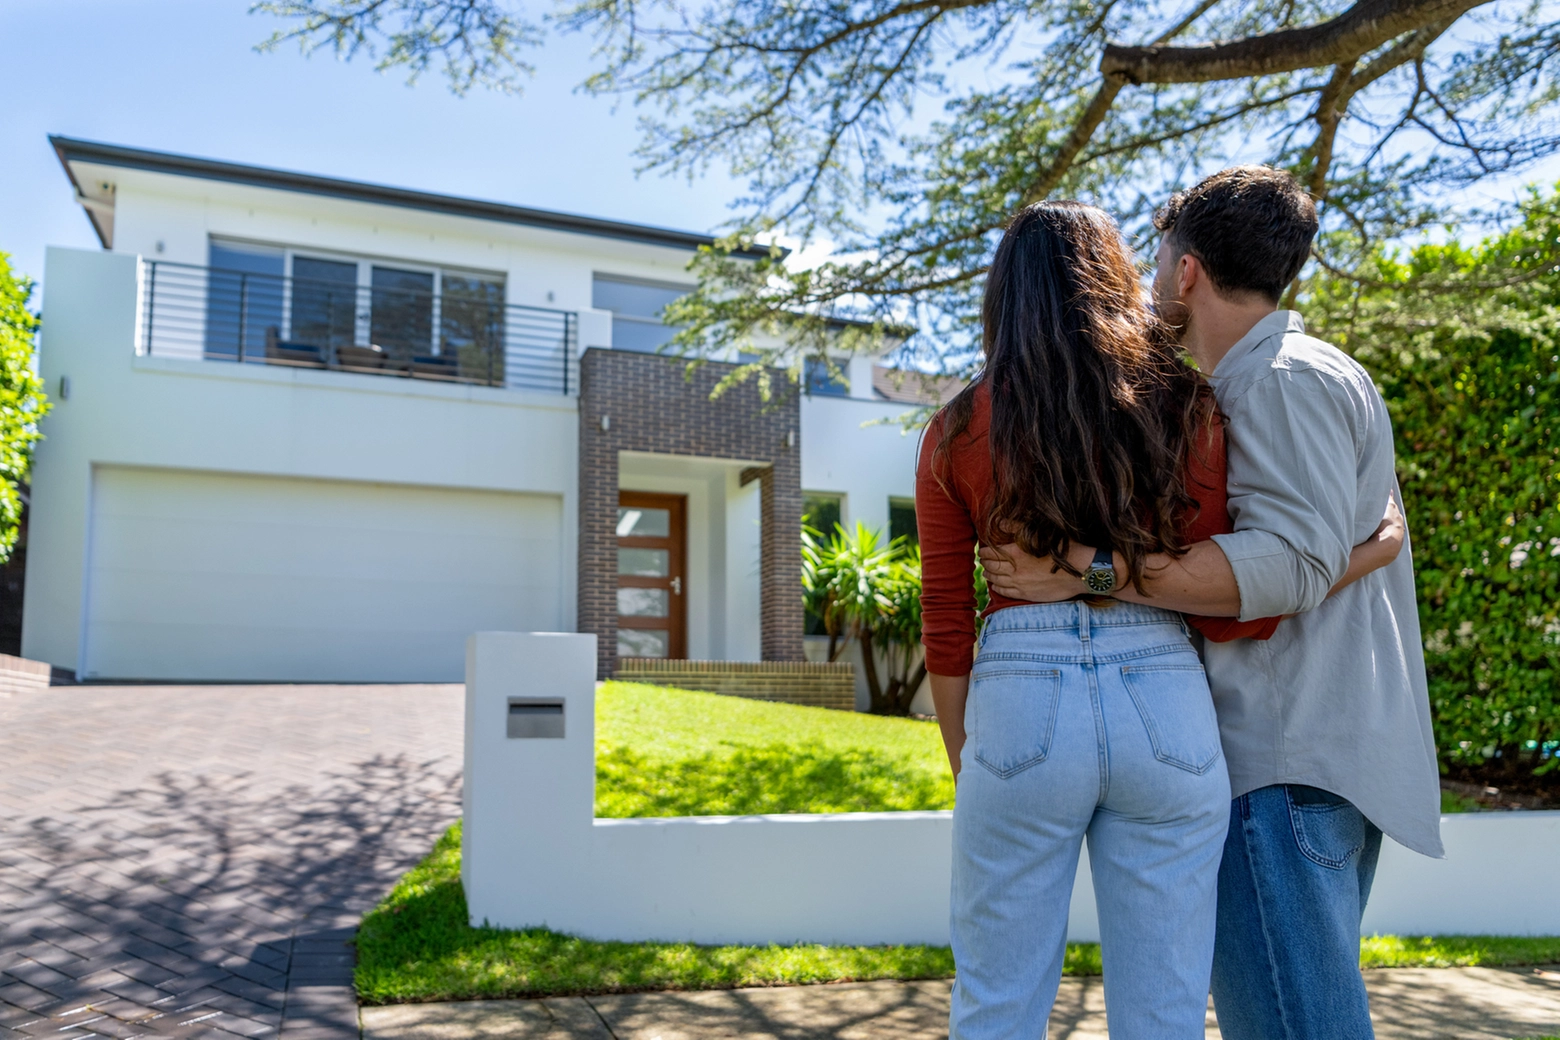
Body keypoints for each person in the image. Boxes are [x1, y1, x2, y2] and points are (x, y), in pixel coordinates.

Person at [916, 200, 1402, 1039]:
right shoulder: (1184, 405)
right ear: (1115, 281)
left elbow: (946, 616)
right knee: (1167, 1015)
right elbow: (1234, 606)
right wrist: (1359, 550)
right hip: (1166, 701)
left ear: (1004, 296)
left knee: (995, 1006)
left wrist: (973, 760)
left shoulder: (955, 428)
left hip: (1019, 694)